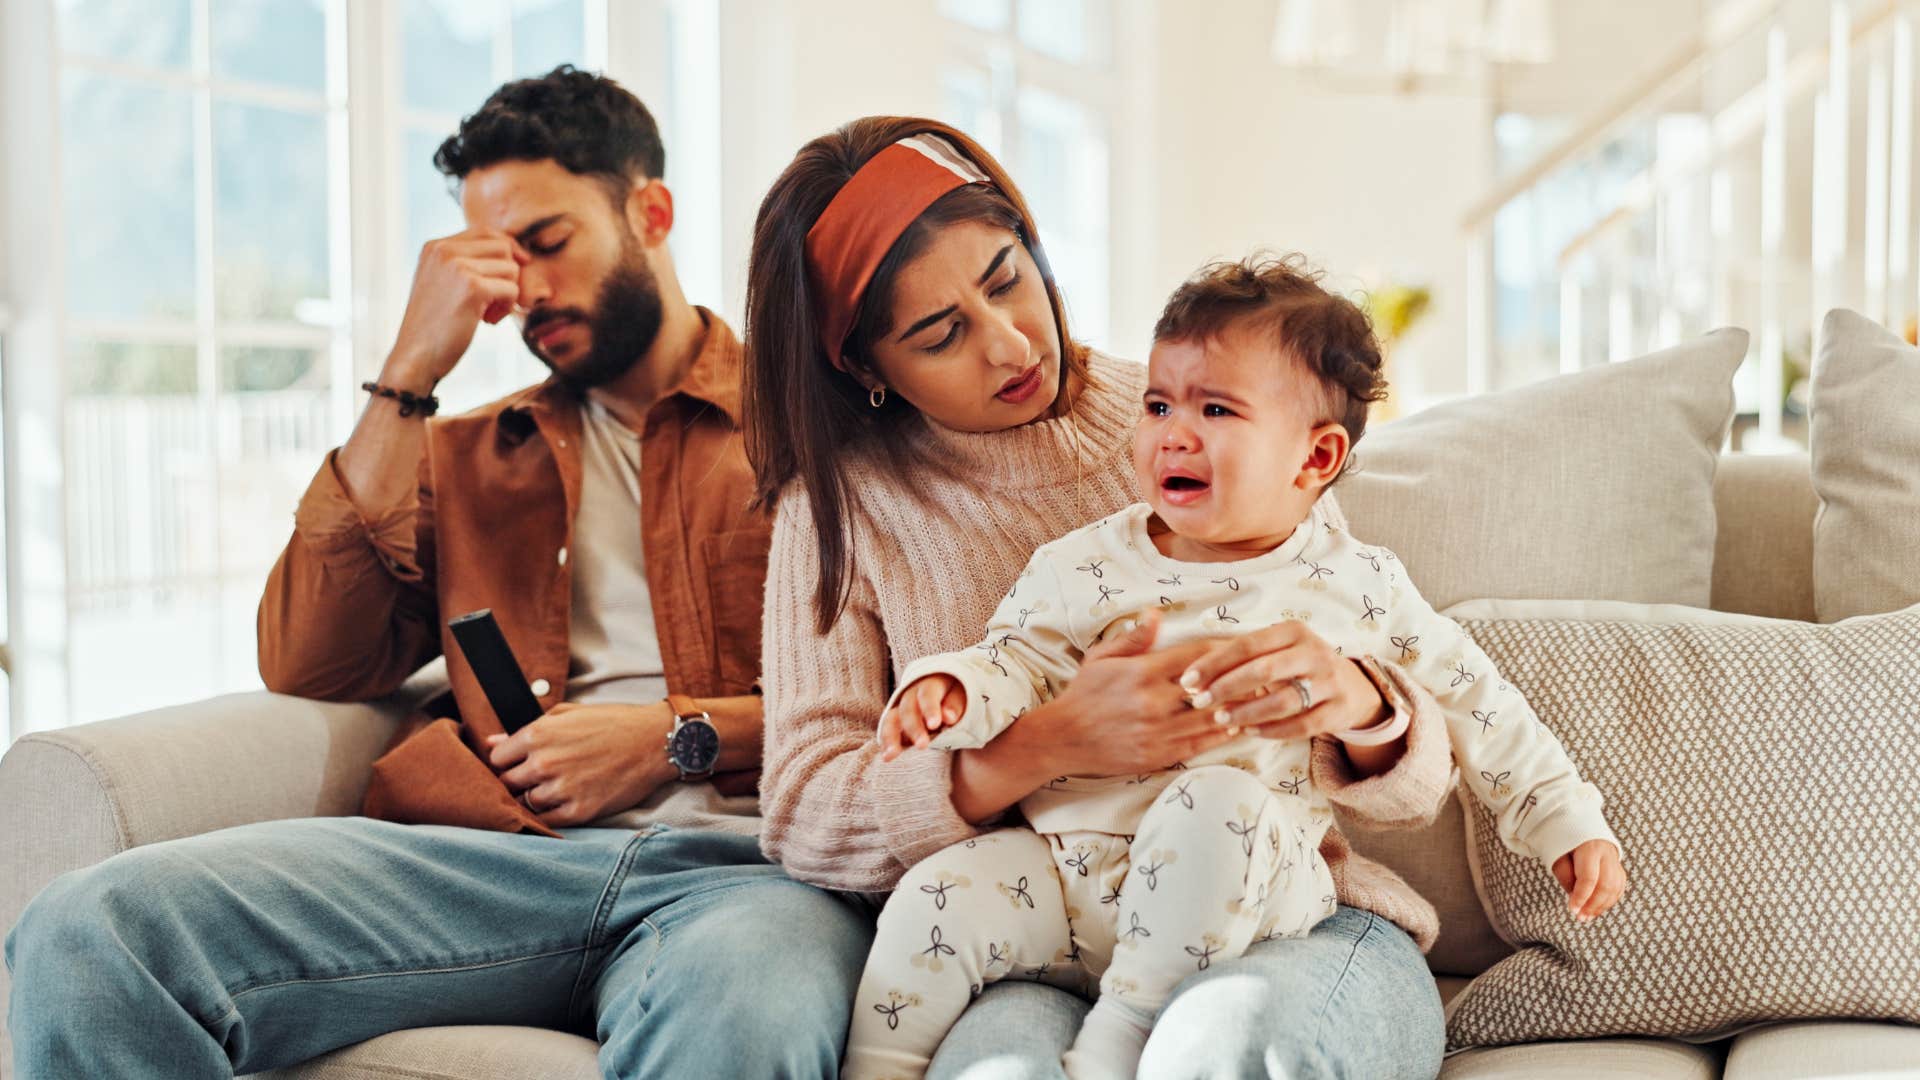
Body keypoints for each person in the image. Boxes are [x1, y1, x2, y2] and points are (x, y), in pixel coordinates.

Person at [5, 66, 871, 1080]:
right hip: (492, 856)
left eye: (549, 243)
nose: (529, 293)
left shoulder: (824, 427)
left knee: (742, 1026)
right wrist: (410, 368)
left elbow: (922, 689)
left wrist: (675, 738)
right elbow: (311, 661)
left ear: (651, 211)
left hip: (752, 869)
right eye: (500, 263)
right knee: (89, 928)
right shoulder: (466, 456)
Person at [743, 116, 1451, 1079]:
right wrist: (1042, 747)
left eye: (1005, 279)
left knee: (1227, 1052)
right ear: (867, 370)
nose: (1009, 345)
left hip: (1292, 920)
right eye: (941, 334)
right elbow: (801, 809)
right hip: (1042, 937)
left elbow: (1422, 752)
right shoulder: (842, 513)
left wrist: (1364, 711)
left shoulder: (1206, 413)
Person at [842, 254, 1628, 1079]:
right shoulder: (1082, 564)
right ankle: (878, 1065)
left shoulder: (1356, 586)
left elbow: (1479, 703)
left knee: (1215, 800)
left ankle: (1122, 1036)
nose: (1172, 433)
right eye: (1158, 404)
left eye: (1215, 408)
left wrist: (1564, 819)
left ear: (1315, 460)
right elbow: (1015, 661)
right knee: (936, 894)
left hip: (1252, 881)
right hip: (1072, 875)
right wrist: (953, 689)